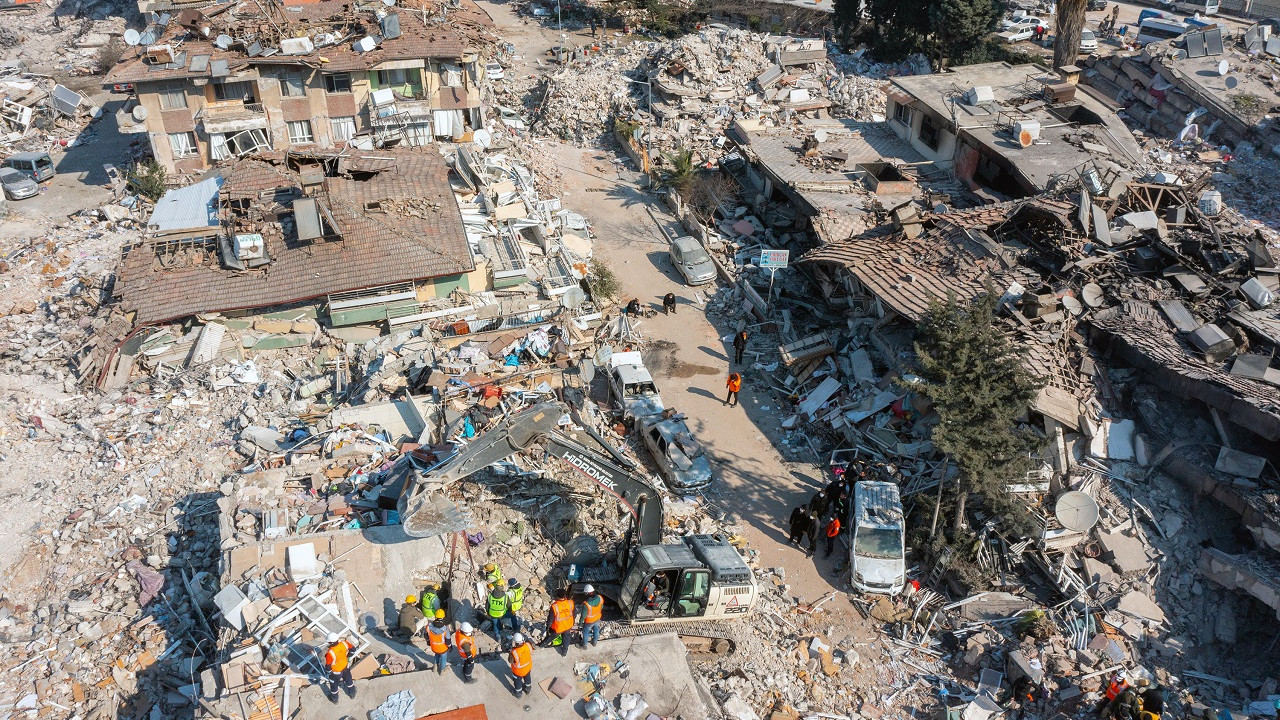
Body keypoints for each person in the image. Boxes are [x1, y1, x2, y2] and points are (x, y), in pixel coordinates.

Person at [323, 633, 358, 702]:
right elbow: (353, 650)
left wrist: (329, 673)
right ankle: (352, 693)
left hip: (336, 672)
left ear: (330, 642)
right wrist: (348, 656)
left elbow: (328, 666)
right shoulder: (344, 643)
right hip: (345, 667)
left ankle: (335, 699)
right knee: (349, 680)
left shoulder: (330, 653)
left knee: (334, 685)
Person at [542, 587, 575, 653]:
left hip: (559, 627)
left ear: (557, 596)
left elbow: (550, 619)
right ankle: (564, 652)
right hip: (568, 625)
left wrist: (548, 627)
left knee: (551, 637)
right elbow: (574, 613)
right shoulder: (570, 603)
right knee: (566, 638)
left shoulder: (555, 606)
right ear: (565, 595)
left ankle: (543, 645)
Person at [424, 609, 451, 674]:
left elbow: (425, 635)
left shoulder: (429, 626)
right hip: (443, 648)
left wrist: (428, 641)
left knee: (436, 655)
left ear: (435, 616)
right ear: (443, 617)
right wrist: (449, 647)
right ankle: (442, 670)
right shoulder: (445, 629)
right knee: (443, 658)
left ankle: (435, 667)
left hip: (434, 647)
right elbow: (448, 641)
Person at [508, 632, 534, 697]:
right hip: (528, 668)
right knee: (527, 678)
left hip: (518, 672)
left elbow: (510, 661)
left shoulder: (514, 652)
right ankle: (528, 689)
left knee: (517, 682)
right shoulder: (528, 645)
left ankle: (518, 693)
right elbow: (530, 652)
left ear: (514, 642)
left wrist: (511, 650)